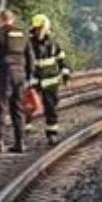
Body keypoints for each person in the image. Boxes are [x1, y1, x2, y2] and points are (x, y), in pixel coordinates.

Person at [0, 7, 30, 153]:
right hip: (20, 73)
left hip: (4, 73)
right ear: (13, 19)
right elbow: (31, 57)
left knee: (0, 108)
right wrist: (29, 75)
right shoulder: (23, 34)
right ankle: (20, 143)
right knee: (17, 108)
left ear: (0, 20)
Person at [28, 14, 70, 144]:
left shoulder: (53, 43)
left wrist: (65, 75)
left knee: (51, 108)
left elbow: (62, 60)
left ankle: (52, 134)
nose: (40, 31)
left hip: (51, 81)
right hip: (34, 81)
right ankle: (25, 130)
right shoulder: (29, 44)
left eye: (42, 29)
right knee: (28, 106)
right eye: (38, 29)